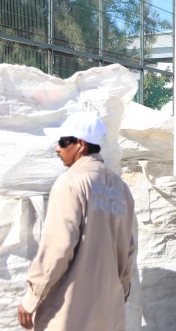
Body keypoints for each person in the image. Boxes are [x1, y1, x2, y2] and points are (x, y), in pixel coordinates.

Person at [17, 111, 136, 331]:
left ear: (80, 144)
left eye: (62, 142)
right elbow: (128, 252)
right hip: (108, 314)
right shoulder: (121, 189)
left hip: (69, 314)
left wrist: (31, 298)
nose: (57, 148)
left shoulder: (70, 183)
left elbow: (57, 249)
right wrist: (120, 296)